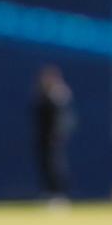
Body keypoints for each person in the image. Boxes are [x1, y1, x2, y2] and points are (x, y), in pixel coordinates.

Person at [32, 64, 73, 204]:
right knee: (45, 166)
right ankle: (48, 193)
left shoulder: (58, 95)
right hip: (42, 137)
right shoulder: (42, 94)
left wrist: (57, 135)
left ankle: (59, 195)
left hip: (53, 138)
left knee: (55, 166)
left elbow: (62, 118)